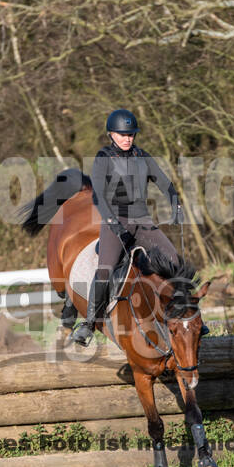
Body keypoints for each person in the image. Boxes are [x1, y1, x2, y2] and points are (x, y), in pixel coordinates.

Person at [72, 108, 186, 347]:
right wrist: (113, 224)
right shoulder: (103, 158)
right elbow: (99, 198)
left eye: (131, 135)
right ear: (111, 134)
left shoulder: (142, 157)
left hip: (143, 221)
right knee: (105, 269)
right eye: (122, 135)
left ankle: (184, 315)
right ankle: (89, 323)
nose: (127, 138)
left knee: (174, 260)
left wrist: (176, 204)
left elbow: (165, 184)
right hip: (115, 222)